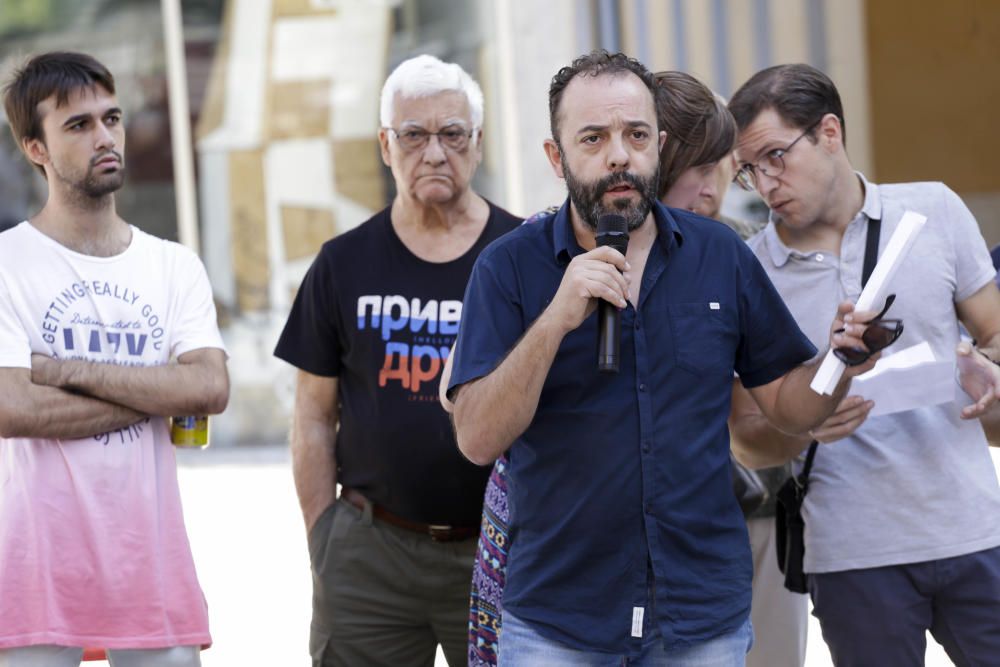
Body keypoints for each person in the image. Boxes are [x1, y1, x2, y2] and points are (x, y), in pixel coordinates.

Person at [447, 50, 879, 665]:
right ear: (556, 156)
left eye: (636, 135)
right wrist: (556, 319)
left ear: (659, 144)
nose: (619, 154)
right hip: (559, 620)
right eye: (593, 138)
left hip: (699, 615)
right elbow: (477, 438)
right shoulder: (508, 267)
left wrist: (841, 360)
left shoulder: (718, 255)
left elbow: (786, 403)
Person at [727, 63, 1000, 665]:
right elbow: (747, 439)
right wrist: (799, 420)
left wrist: (988, 367)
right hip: (851, 552)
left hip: (974, 529)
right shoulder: (751, 269)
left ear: (829, 132)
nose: (765, 183)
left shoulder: (932, 211)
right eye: (750, 169)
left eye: (776, 155)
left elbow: (995, 330)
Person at [273, 54, 520, 667]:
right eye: (413, 135)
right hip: (370, 552)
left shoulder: (524, 259)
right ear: (386, 146)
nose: (434, 152)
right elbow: (310, 413)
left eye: (452, 133)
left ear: (478, 144)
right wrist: (324, 538)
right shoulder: (342, 263)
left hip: (501, 550)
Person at [0, 52, 229, 667]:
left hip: (150, 567)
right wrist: (155, 392)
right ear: (35, 149)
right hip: (34, 571)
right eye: (77, 125)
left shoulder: (172, 264)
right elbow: (12, 408)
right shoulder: (6, 264)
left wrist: (59, 369)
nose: (105, 137)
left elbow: (208, 389)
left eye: (112, 118)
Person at [654, 71, 805, 667]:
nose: (712, 177)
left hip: (763, 507)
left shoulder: (755, 249)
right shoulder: (615, 252)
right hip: (666, 526)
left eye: (722, 158)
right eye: (698, 157)